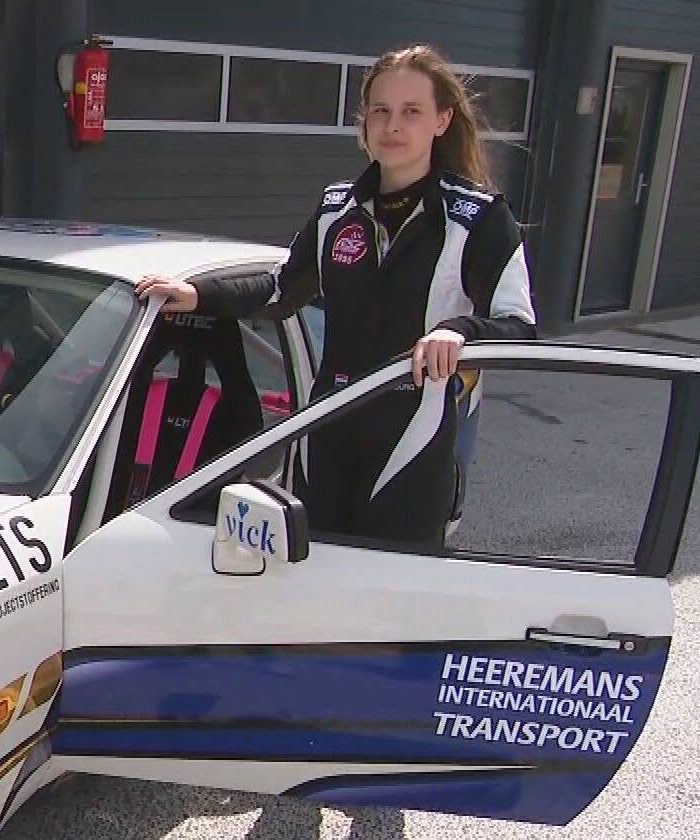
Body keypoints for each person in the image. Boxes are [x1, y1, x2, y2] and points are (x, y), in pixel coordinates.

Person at [135, 44, 537, 546]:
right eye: (381, 111)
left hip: (414, 435)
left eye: (412, 112)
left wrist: (458, 331)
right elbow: (281, 289)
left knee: (390, 600)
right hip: (328, 426)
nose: (393, 125)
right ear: (364, 122)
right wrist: (196, 294)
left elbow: (519, 324)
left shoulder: (477, 218)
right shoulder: (336, 209)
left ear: (442, 120)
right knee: (312, 584)